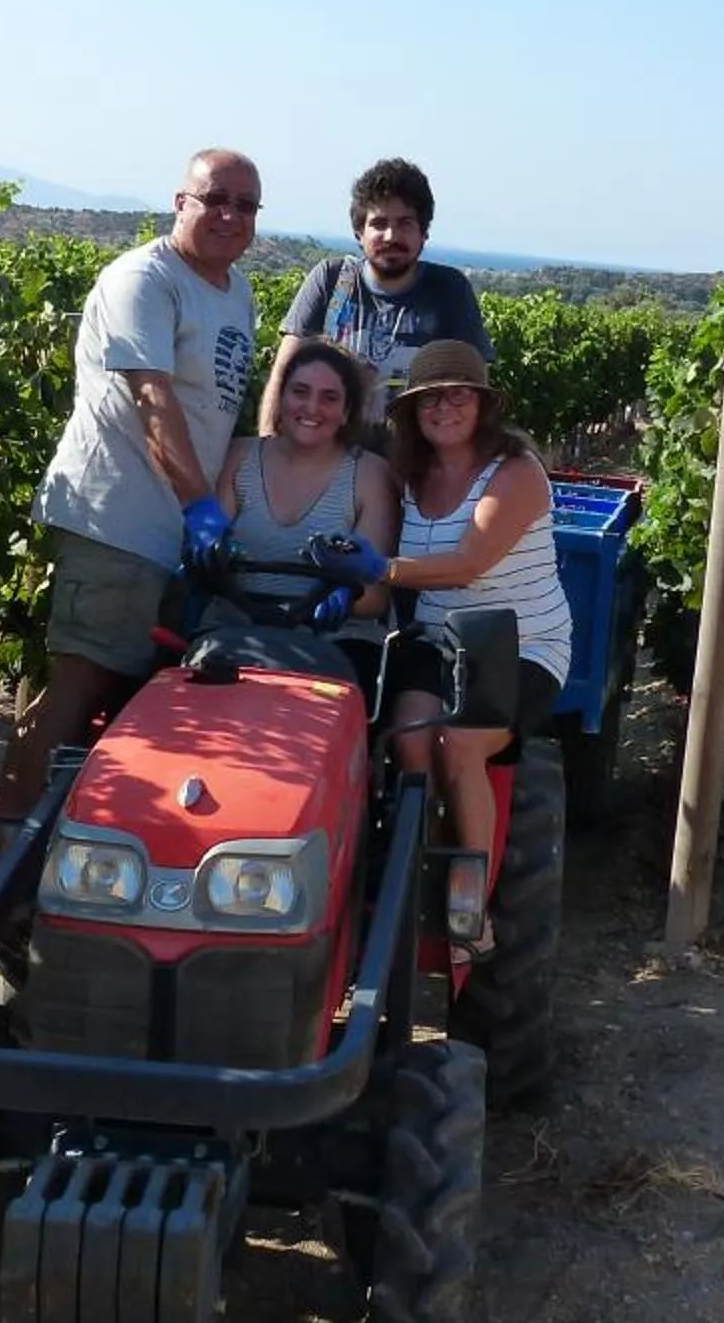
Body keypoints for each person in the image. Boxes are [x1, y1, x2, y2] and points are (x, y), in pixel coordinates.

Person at [0, 148, 263, 887]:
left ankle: (83, 855)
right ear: (179, 202)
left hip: (169, 535)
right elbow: (152, 401)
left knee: (132, 700)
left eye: (245, 205)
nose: (228, 214)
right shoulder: (144, 280)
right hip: (116, 517)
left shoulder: (236, 293)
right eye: (213, 198)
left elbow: (219, 414)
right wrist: (199, 508)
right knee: (82, 679)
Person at [309, 339, 568, 872]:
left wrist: (378, 569)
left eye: (458, 397)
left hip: (518, 646)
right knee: (408, 737)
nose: (443, 408)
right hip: (437, 642)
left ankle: (467, 904)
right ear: (411, 413)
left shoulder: (514, 472)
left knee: (461, 742)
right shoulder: (412, 476)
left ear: (483, 405)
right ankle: (415, 856)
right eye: (430, 400)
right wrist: (346, 588)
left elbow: (468, 563)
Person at [213, 338, 399, 695]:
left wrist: (345, 596)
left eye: (329, 398)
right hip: (236, 630)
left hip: (334, 639)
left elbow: (375, 597)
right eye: (300, 391)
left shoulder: (370, 474)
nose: (312, 407)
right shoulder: (239, 456)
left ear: (347, 412)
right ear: (280, 399)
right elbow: (212, 554)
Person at [273, 157, 491, 432]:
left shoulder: (448, 291)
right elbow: (283, 376)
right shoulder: (331, 280)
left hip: (413, 468)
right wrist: (268, 453)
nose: (391, 236)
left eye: (405, 223)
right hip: (327, 463)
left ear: (424, 233)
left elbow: (475, 392)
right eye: (378, 223)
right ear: (358, 233)